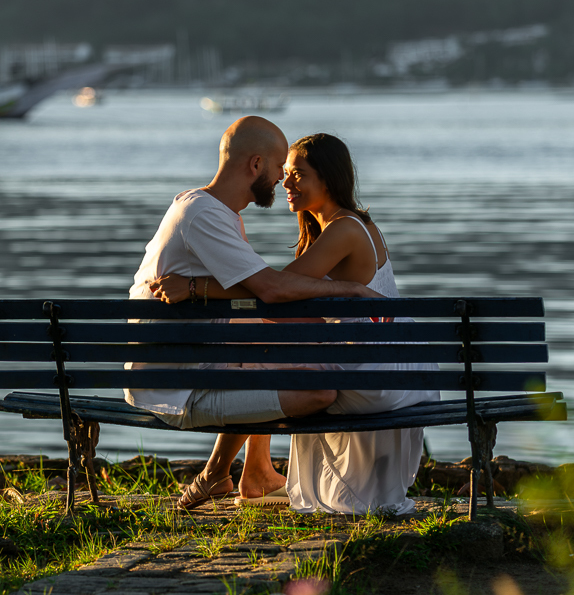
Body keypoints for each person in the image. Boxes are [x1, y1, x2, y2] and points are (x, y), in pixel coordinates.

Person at [150, 133, 437, 515]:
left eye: (298, 174)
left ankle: (220, 473)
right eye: (285, 173)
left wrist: (194, 286)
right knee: (263, 346)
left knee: (256, 353)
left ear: (328, 178)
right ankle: (250, 472)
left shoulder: (345, 230)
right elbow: (278, 298)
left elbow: (274, 292)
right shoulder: (337, 228)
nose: (285, 183)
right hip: (381, 366)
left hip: (375, 374)